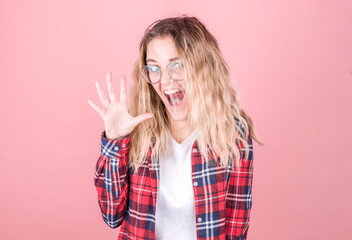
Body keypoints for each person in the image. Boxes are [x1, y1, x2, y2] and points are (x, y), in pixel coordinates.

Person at [88, 15, 263, 240]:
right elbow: (111, 215)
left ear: (202, 66)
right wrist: (115, 140)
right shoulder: (137, 132)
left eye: (177, 65)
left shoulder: (234, 134)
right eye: (154, 68)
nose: (166, 81)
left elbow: (236, 229)